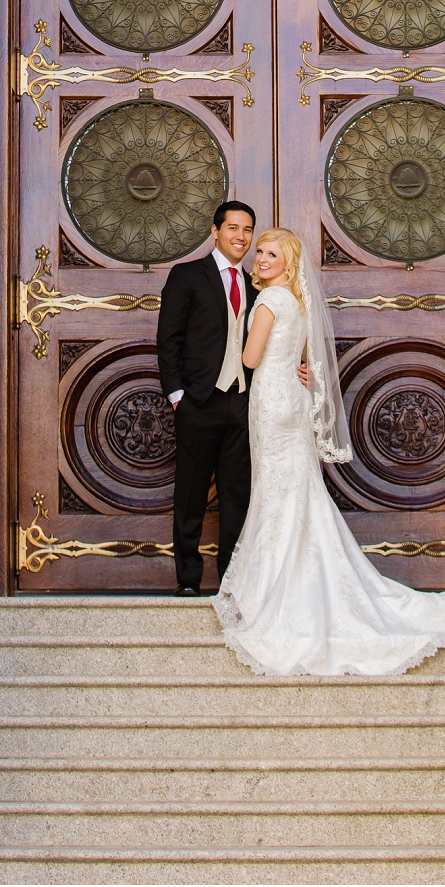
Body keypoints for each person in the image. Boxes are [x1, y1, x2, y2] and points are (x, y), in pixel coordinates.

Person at [214, 227, 445, 675]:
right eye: (260, 253)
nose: (260, 259)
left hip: (271, 401)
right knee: (293, 487)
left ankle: (276, 587)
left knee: (277, 487)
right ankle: (293, 575)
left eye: (271, 254)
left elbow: (250, 360)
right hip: (288, 401)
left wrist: (232, 333)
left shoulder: (271, 302)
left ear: (288, 262)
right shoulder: (295, 302)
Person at [155, 201, 259, 595]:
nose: (241, 236)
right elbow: (169, 340)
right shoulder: (187, 275)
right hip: (197, 400)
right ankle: (187, 579)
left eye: (247, 229)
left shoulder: (255, 284)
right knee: (191, 492)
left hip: (241, 400)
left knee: (237, 494)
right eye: (233, 227)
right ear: (215, 231)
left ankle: (231, 578)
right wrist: (177, 394)